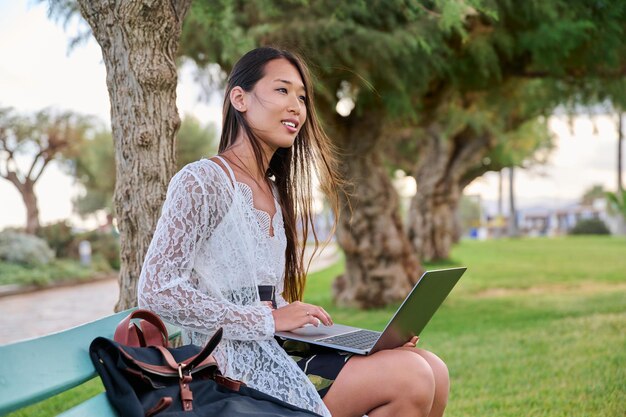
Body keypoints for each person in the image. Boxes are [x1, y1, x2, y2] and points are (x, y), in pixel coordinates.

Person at [138, 46, 449, 417]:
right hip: (227, 374)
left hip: (276, 353)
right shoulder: (203, 181)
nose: (297, 107)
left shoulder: (271, 190)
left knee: (432, 368)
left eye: (302, 97)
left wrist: (360, 342)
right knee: (411, 376)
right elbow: (156, 289)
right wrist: (267, 319)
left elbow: (260, 296)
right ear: (240, 98)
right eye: (282, 90)